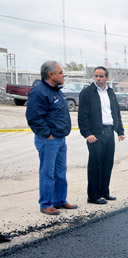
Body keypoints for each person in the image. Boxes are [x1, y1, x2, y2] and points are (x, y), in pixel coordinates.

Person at [26, 60, 78, 215]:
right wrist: (47, 135)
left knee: (60, 171)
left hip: (61, 139)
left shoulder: (57, 91)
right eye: (61, 72)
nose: (64, 75)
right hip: (48, 140)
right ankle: (46, 203)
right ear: (51, 74)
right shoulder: (39, 92)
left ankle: (60, 200)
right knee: (47, 173)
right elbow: (34, 117)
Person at [78, 66, 125, 204]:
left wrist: (120, 131)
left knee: (107, 164)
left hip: (109, 132)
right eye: (96, 76)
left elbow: (116, 113)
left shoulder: (110, 93)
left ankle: (104, 192)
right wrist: (87, 134)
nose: (98, 79)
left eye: (101, 76)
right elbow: (82, 116)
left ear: (107, 78)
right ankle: (93, 196)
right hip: (96, 134)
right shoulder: (87, 93)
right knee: (95, 165)